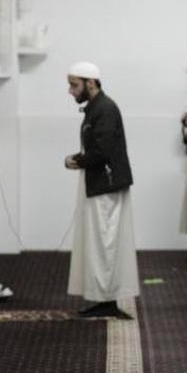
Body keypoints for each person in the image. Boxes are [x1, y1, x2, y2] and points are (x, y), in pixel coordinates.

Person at [63, 61, 139, 319]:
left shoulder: (104, 109)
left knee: (105, 244)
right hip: (100, 184)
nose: (71, 91)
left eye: (74, 85)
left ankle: (108, 299)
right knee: (100, 244)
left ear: (91, 83)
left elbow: (102, 151)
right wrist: (79, 158)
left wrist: (77, 160)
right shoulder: (97, 108)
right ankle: (103, 297)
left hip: (105, 187)